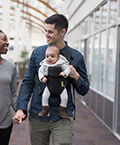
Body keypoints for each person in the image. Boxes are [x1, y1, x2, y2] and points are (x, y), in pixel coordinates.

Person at [12, 14, 89, 145]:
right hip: (38, 115)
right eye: (45, 31)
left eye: (50, 32)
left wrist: (76, 76)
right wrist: (21, 108)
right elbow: (27, 82)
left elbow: (84, 89)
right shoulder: (37, 53)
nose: (46, 34)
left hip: (63, 117)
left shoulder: (76, 57)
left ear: (62, 32)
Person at [38, 45, 70, 118]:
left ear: (58, 57)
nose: (49, 58)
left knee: (65, 97)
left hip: (60, 84)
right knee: (45, 96)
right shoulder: (44, 64)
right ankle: (45, 109)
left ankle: (62, 110)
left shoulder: (61, 63)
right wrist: (42, 78)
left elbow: (68, 69)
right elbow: (40, 71)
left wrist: (65, 73)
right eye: (47, 56)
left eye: (52, 56)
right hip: (49, 84)